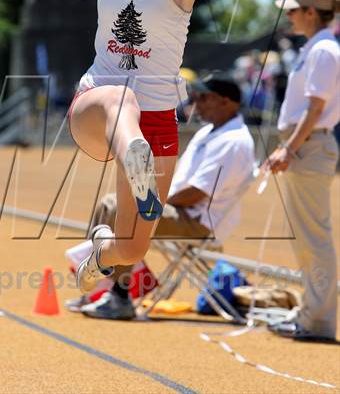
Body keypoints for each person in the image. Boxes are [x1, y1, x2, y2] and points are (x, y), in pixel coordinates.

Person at [0, 0, 251, 296]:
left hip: (157, 120)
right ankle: (133, 156)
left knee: (130, 248)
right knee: (122, 98)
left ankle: (98, 256)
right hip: (98, 103)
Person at [69, 75, 255, 320]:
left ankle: (118, 295)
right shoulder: (210, 133)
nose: (197, 103)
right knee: (112, 203)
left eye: (204, 97)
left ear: (227, 102)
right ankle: (104, 280)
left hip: (197, 221)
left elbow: (196, 193)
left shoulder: (234, 141)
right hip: (182, 210)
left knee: (119, 208)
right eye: (196, 97)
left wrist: (155, 198)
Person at [264, 0, 340, 342]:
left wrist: (289, 148)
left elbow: (316, 107)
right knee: (309, 239)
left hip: (309, 146)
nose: (289, 15)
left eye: (294, 10)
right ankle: (311, 314)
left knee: (314, 239)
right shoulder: (318, 48)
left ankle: (318, 321)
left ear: (311, 12)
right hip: (308, 146)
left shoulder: (323, 50)